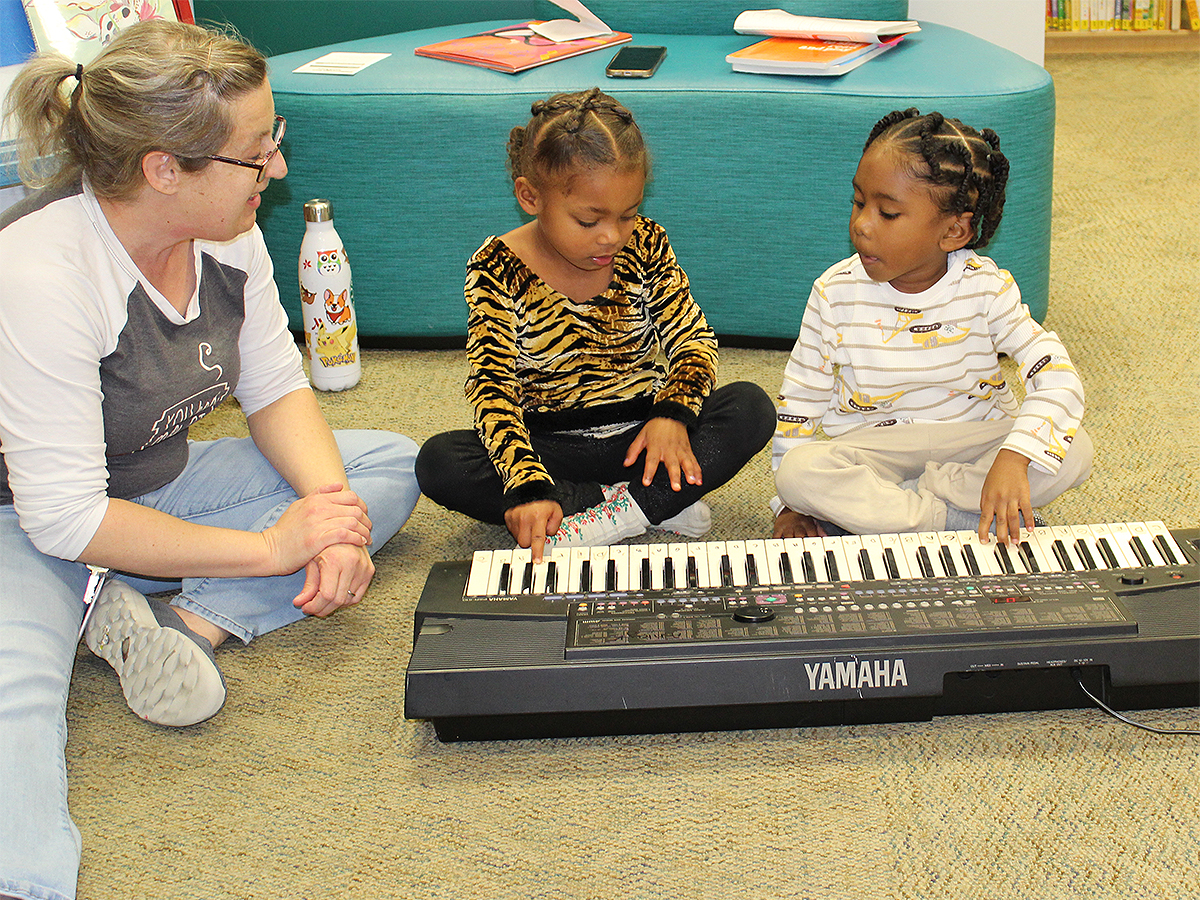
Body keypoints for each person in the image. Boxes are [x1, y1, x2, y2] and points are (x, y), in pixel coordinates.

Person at [0, 21, 420, 900]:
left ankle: (184, 622)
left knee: (386, 462)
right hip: (26, 524)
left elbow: (275, 391)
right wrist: (276, 550)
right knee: (16, 711)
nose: (277, 170)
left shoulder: (225, 231)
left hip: (160, 479)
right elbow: (66, 516)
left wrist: (331, 519)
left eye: (275, 143)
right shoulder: (38, 272)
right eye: (256, 153)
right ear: (164, 168)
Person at [416, 88, 774, 558]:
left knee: (750, 406)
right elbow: (492, 385)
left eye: (628, 215)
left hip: (642, 437)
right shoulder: (496, 267)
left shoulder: (645, 244)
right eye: (588, 220)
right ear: (530, 196)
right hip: (551, 446)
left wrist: (671, 414)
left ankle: (610, 516)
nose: (612, 235)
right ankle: (647, 505)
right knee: (439, 462)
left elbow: (694, 342)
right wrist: (527, 483)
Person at [772, 108, 1093, 546]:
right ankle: (950, 519)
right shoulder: (834, 291)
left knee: (1075, 450)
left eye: (887, 213)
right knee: (798, 474)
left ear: (954, 231)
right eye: (859, 201)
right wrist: (792, 506)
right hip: (876, 449)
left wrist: (1015, 457)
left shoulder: (987, 287)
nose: (861, 225)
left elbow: (1056, 373)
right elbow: (800, 400)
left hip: (971, 439)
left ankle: (901, 512)